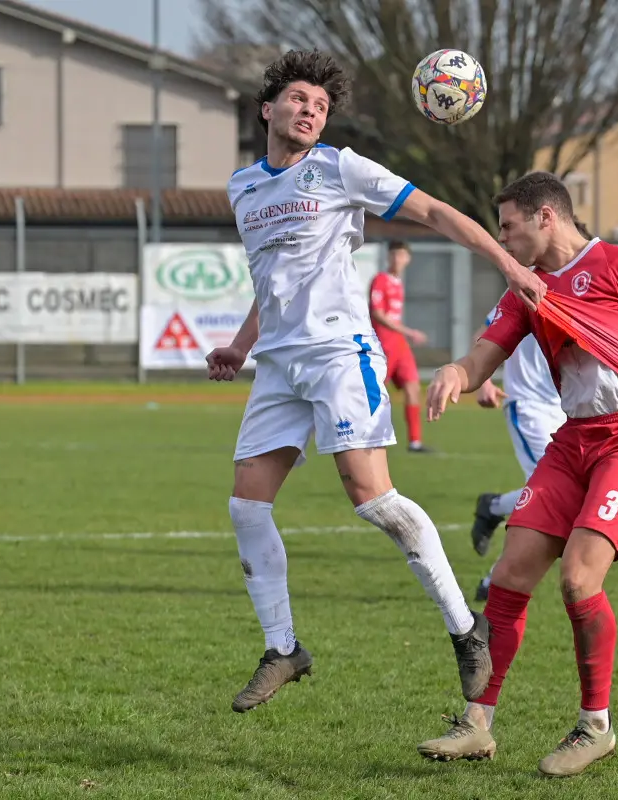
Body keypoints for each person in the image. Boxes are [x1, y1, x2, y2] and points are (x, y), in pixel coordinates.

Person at [208, 50, 547, 714]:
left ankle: (464, 628)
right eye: (299, 99)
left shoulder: (339, 168)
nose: (310, 111)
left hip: (338, 353)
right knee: (247, 505)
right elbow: (268, 279)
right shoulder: (244, 186)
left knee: (372, 499)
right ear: (266, 110)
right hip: (278, 364)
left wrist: (508, 262)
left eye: (321, 106)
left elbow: (437, 213)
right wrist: (241, 345)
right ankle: (284, 648)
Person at [418, 172, 618, 777]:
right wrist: (457, 374)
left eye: (509, 225)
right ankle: (476, 724)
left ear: (546, 217)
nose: (502, 238)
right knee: (510, 574)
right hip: (573, 441)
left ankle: (596, 726)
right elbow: (486, 352)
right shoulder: (526, 288)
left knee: (577, 579)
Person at [467, 219, 594, 601]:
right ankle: (495, 579)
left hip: (568, 411)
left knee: (556, 493)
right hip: (530, 407)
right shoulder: (527, 285)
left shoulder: (586, 288)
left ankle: (493, 507)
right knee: (552, 497)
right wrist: (485, 381)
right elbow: (489, 332)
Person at [369, 241, 431, 453]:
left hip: (399, 343)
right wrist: (409, 331)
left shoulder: (398, 282)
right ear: (388, 257)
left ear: (408, 259)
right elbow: (377, 313)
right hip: (384, 342)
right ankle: (368, 436)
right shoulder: (380, 280)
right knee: (374, 391)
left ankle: (415, 441)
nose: (397, 259)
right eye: (394, 254)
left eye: (402, 255)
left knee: (413, 387)